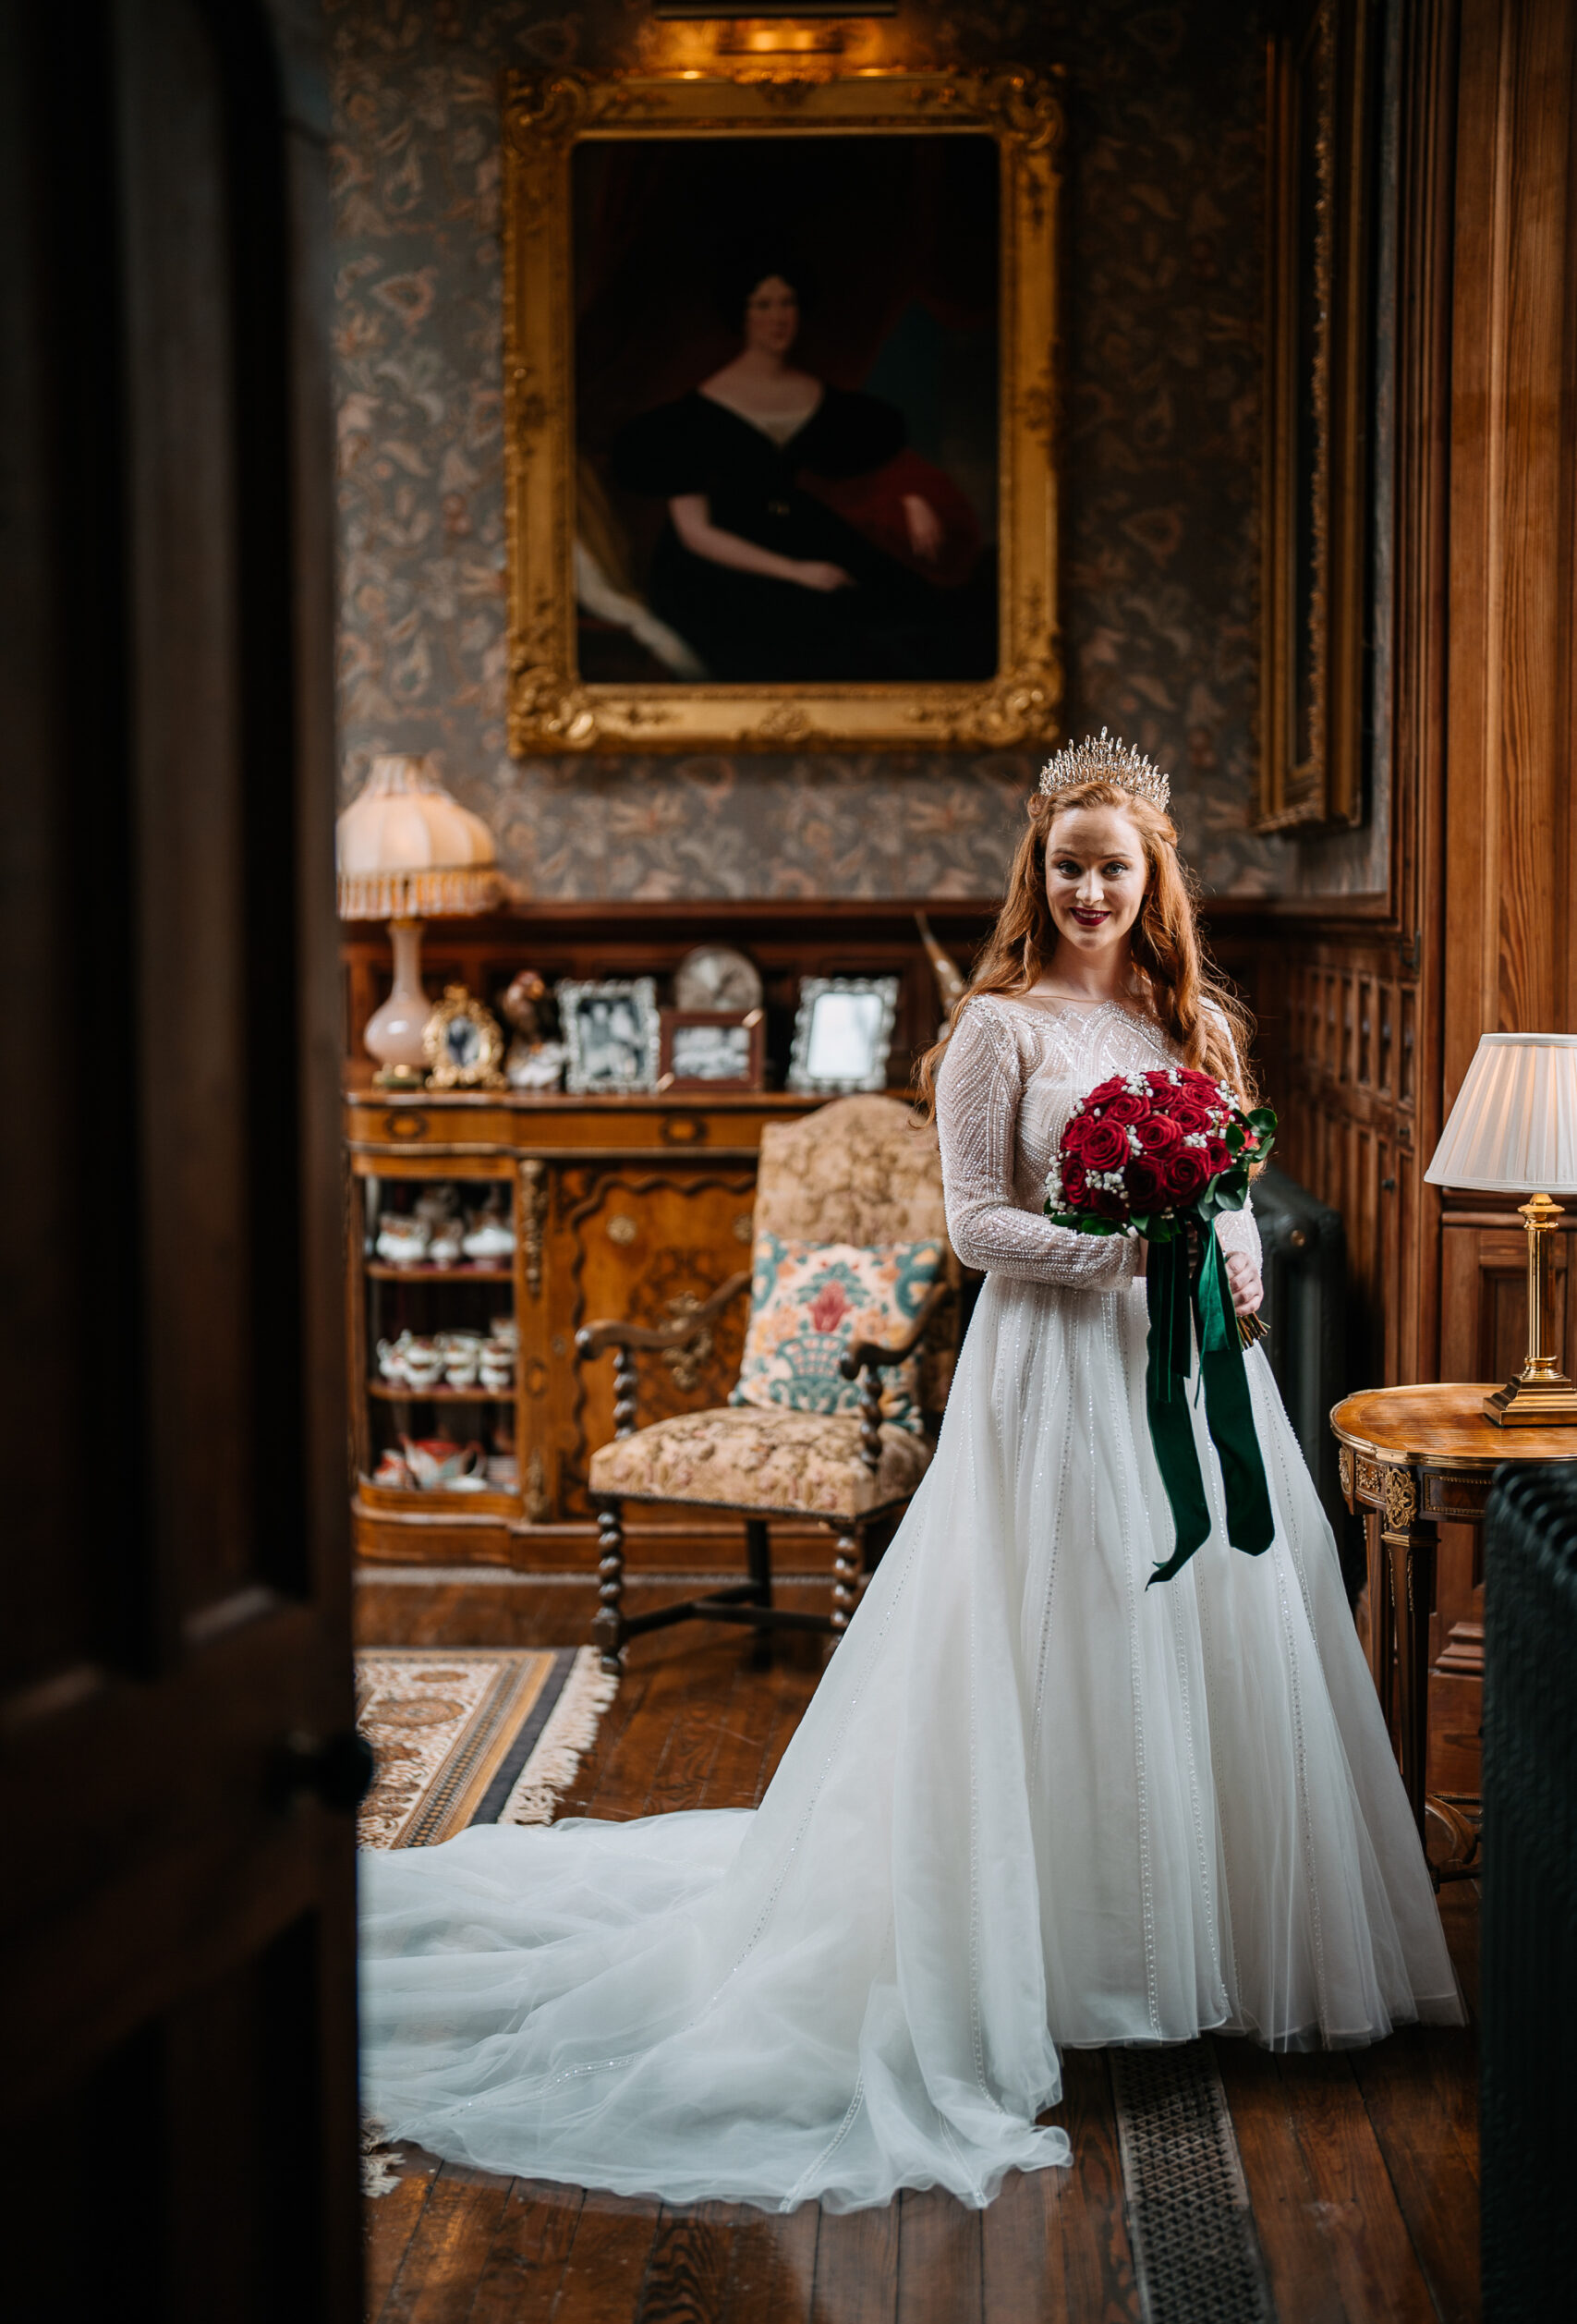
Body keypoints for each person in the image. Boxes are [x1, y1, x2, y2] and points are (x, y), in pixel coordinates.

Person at [359, 733, 1461, 2215]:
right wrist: (1124, 1252)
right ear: (1037, 874)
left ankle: (1166, 1941)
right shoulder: (994, 1028)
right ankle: (1023, 1949)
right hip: (1051, 1371)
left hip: (1188, 1365)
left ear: (1151, 882)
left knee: (1193, 1633)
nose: (1086, 889)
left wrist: (1231, 1261)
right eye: (1065, 866)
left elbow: (1236, 1188)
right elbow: (974, 1227)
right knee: (1046, 1633)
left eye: (1110, 868)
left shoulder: (1184, 1016)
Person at [608, 257, 992, 682]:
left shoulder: (827, 400)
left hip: (807, 538)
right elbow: (696, 534)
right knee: (818, 645)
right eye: (763, 305)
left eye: (787, 303)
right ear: (742, 315)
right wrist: (795, 572)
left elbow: (875, 463)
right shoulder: (690, 418)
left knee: (929, 628)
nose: (779, 317)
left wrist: (912, 497)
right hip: (721, 571)